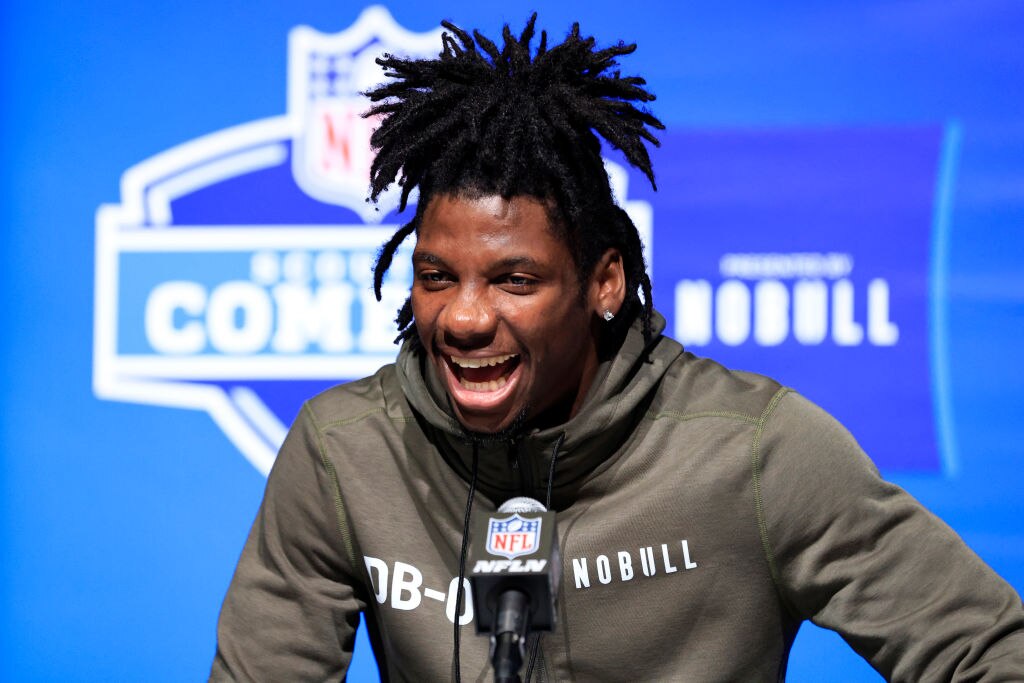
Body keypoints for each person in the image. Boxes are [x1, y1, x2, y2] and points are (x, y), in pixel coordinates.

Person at [210, 16, 1024, 682]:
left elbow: (990, 654)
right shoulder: (345, 449)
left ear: (604, 283)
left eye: (513, 280)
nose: (461, 318)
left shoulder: (756, 450)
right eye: (435, 275)